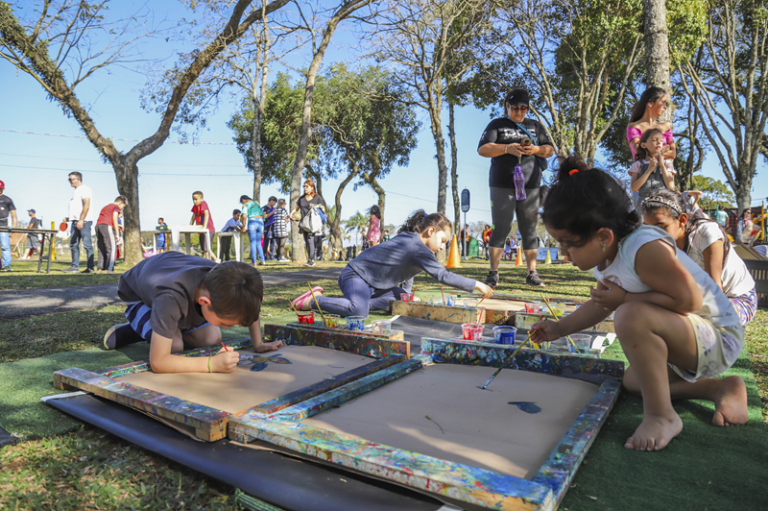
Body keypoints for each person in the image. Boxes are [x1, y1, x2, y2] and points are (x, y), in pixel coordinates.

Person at [532, 154, 747, 452]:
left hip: (718, 338)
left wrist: (626, 299)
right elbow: (600, 304)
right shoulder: (606, 256)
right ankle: (719, 387)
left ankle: (662, 416)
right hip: (690, 336)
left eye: (569, 243)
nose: (564, 253)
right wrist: (559, 328)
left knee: (631, 315)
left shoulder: (644, 246)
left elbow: (689, 299)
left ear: (603, 235)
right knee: (636, 381)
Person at [103, 252, 282, 373]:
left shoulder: (228, 281)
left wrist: (257, 343)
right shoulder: (171, 297)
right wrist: (211, 364)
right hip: (140, 295)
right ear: (205, 302)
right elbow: (159, 362)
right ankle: (137, 329)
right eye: (225, 323)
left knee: (210, 339)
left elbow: (249, 306)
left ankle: (163, 329)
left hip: (170, 276)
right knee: (174, 347)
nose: (228, 327)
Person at [291, 210, 494, 316]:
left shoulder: (416, 245)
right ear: (431, 231)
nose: (443, 247)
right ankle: (311, 300)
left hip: (373, 286)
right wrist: (477, 284)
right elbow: (442, 276)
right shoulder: (417, 246)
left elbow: (408, 273)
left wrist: (405, 296)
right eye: (442, 241)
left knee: (404, 299)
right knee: (357, 311)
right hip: (356, 276)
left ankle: (359, 303)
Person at [642, 189, 757, 326]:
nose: (654, 233)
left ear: (682, 220)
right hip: (695, 298)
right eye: (648, 227)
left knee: (687, 320)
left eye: (661, 226)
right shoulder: (660, 243)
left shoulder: (706, 233)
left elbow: (715, 294)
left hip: (735, 299)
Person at [477, 88, 555, 288]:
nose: (519, 112)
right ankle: (493, 273)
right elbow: (483, 149)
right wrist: (506, 148)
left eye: (523, 108)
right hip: (502, 185)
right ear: (507, 107)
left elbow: (550, 149)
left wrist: (535, 149)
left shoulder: (535, 126)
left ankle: (532, 273)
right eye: (514, 108)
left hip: (530, 185)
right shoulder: (497, 124)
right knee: (501, 227)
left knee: (529, 229)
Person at [628, 129, 676, 208]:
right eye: (654, 140)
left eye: (661, 140)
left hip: (663, 203)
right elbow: (634, 188)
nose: (659, 142)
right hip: (643, 205)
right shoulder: (638, 164)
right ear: (644, 145)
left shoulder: (667, 163)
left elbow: (670, 186)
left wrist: (662, 166)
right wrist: (649, 170)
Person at [626, 86, 676, 161]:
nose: (665, 107)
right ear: (650, 103)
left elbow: (673, 154)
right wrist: (664, 149)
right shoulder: (634, 127)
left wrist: (650, 152)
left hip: (664, 172)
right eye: (663, 102)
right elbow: (640, 154)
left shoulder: (666, 127)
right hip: (644, 171)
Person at [63, 172, 95, 273]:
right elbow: (77, 208)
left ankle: (90, 268)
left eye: (71, 179)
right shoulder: (76, 191)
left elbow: (86, 205)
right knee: (73, 244)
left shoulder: (85, 189)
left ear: (78, 179)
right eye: (69, 179)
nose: (69, 182)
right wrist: (69, 218)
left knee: (87, 245)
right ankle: (74, 267)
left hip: (84, 221)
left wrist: (81, 220)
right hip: (75, 221)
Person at [289, 179, 326, 267]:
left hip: (313, 222)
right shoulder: (302, 198)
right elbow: (297, 208)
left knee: (310, 240)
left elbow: (323, 209)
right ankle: (310, 259)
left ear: (312, 187)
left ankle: (311, 260)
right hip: (304, 223)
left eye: (307, 186)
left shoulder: (317, 197)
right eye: (304, 186)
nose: (305, 188)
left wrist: (315, 207)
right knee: (307, 241)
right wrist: (291, 214)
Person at [95, 196, 127, 274]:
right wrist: (117, 234)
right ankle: (110, 269)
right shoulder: (116, 207)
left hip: (98, 226)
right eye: (123, 207)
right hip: (107, 226)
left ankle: (100, 269)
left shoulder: (106, 206)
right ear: (121, 203)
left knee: (101, 248)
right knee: (112, 248)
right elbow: (114, 218)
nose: (122, 209)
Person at [239, 195, 266, 266]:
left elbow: (244, 216)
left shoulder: (246, 205)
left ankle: (254, 262)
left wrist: (243, 226)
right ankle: (263, 260)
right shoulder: (257, 203)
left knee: (253, 243)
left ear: (243, 200)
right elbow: (262, 214)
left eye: (242, 202)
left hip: (252, 222)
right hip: (261, 222)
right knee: (258, 243)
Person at [190, 191, 215, 260]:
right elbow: (193, 217)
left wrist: (204, 226)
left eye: (196, 199)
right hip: (201, 230)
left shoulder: (203, 203)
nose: (194, 201)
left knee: (206, 248)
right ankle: (216, 260)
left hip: (209, 229)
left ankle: (207, 262)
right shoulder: (195, 206)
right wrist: (190, 226)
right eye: (193, 199)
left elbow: (206, 214)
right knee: (204, 248)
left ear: (201, 198)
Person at [0, 180, 17, 271]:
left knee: (5, 246)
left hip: (4, 226)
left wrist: (14, 225)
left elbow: (13, 213)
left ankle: (6, 265)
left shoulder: (7, 200)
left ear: (3, 188)